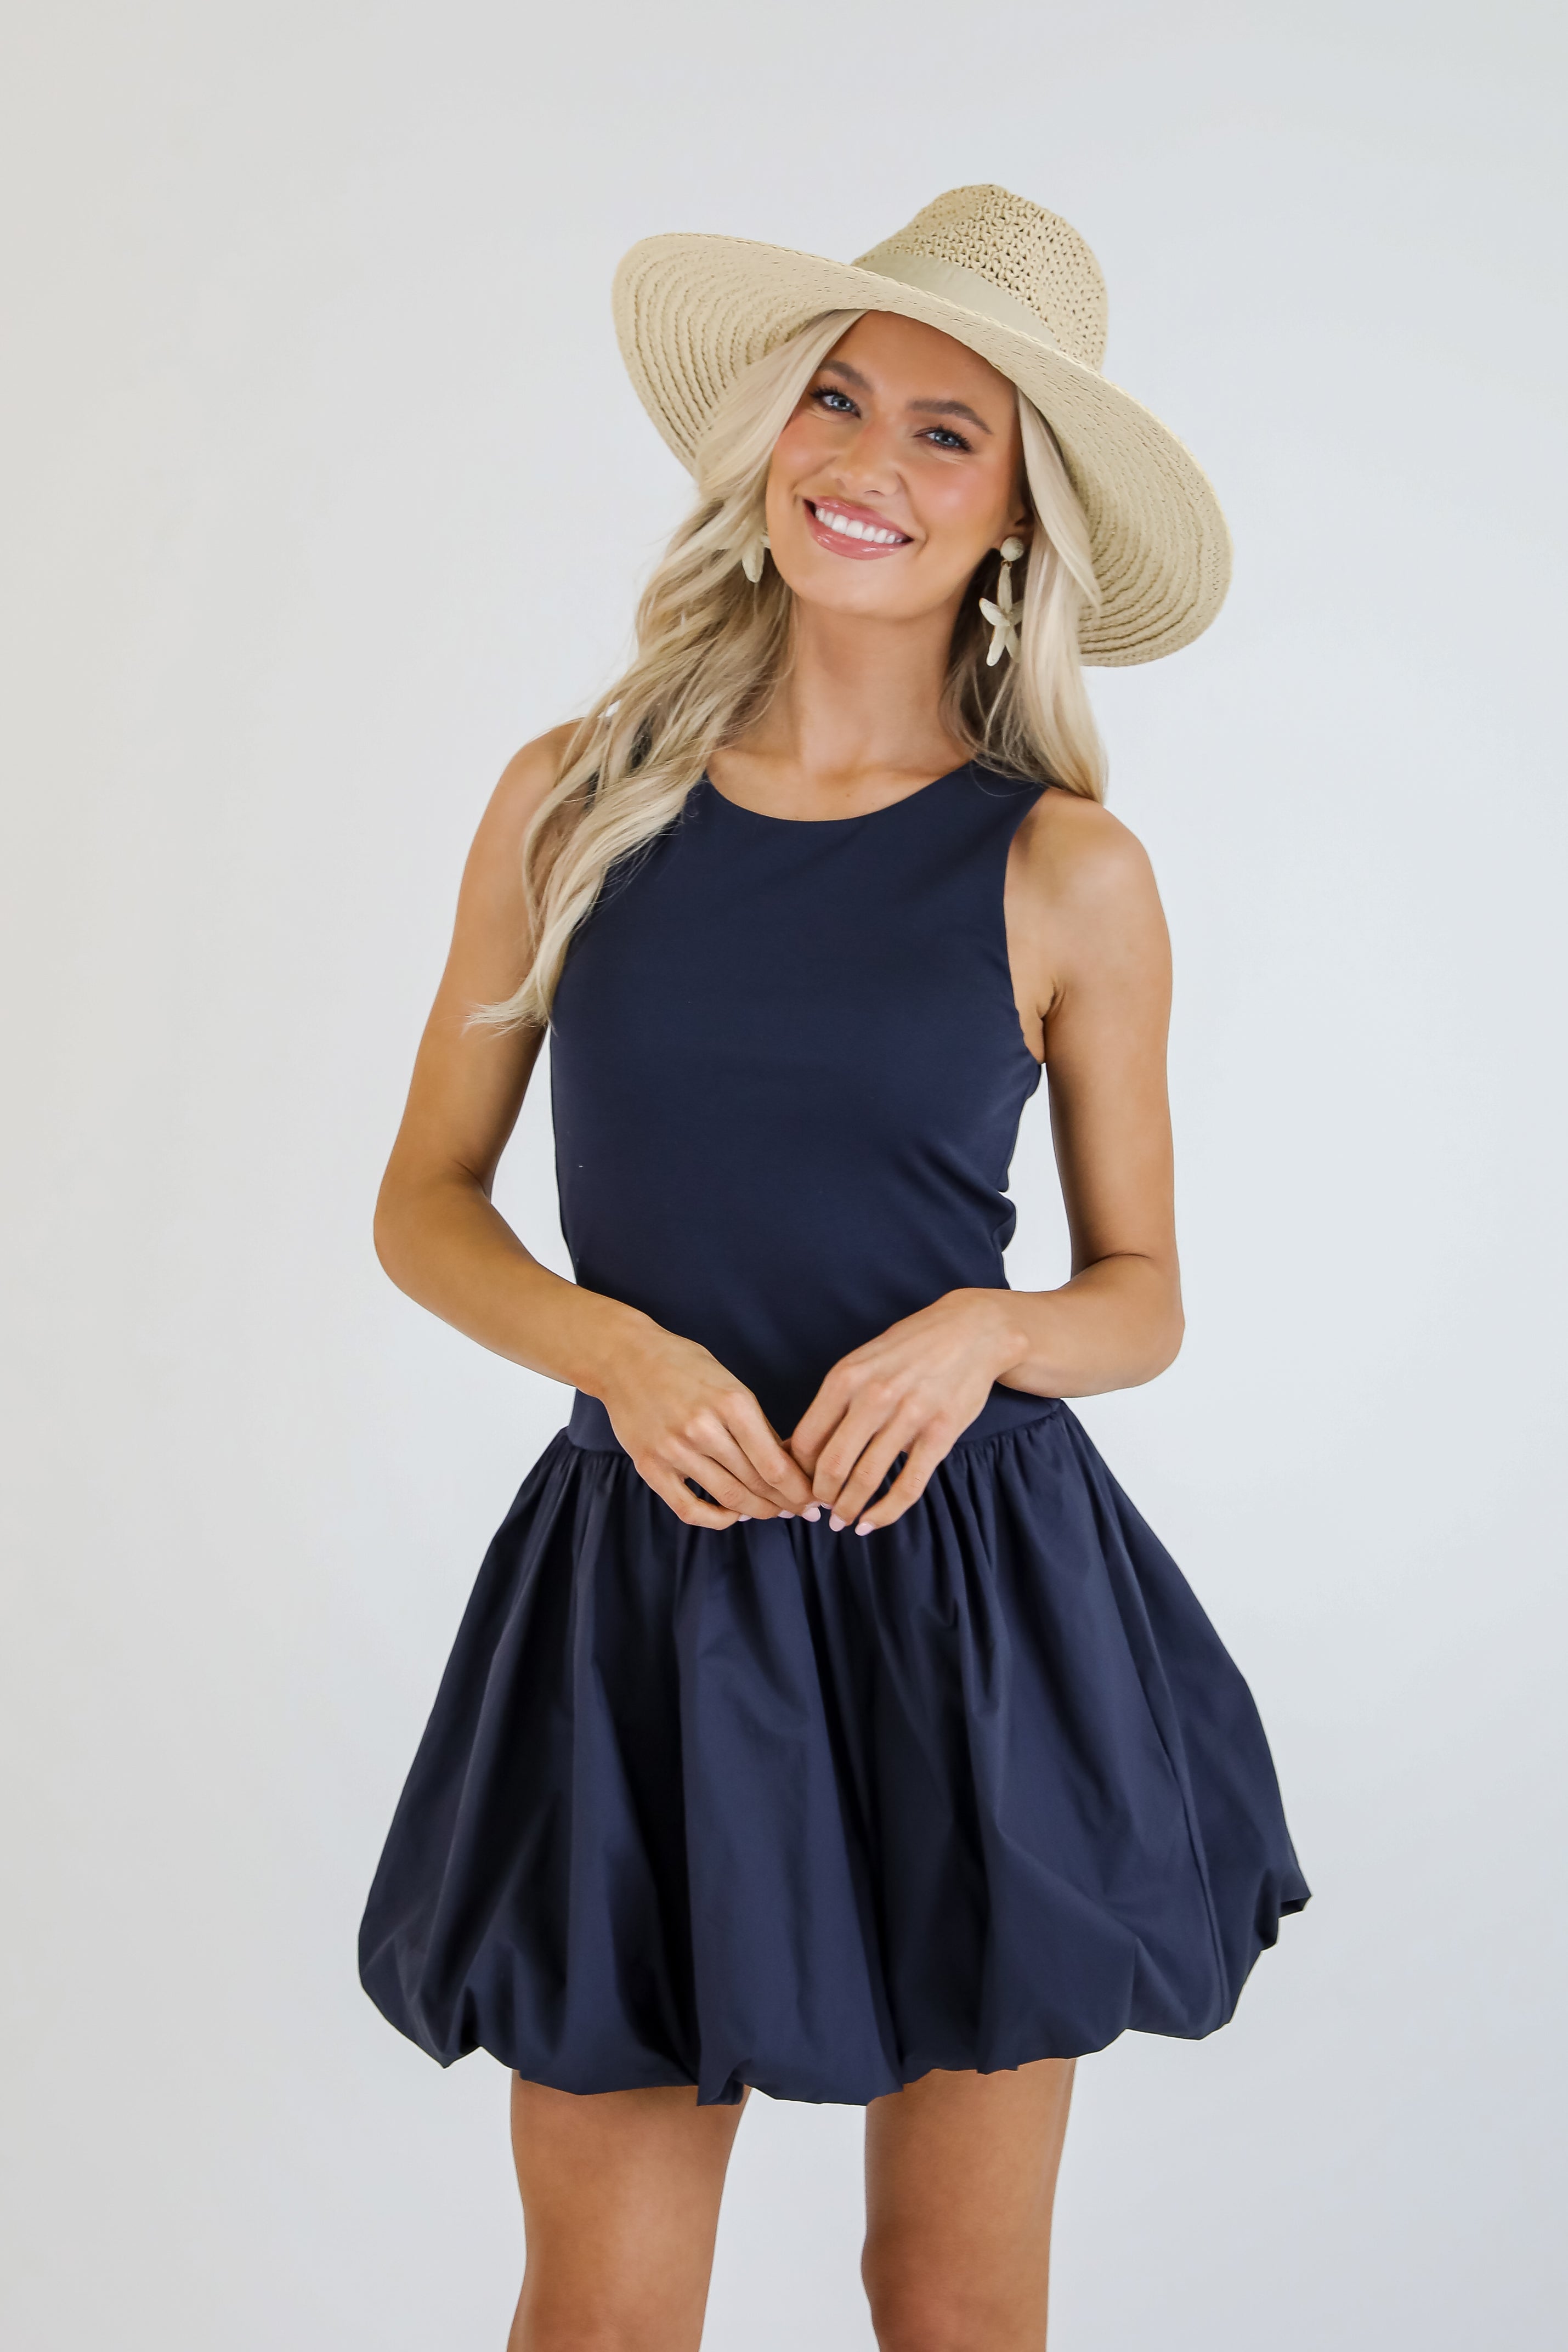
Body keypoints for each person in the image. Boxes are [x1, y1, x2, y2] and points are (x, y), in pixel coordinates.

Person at [359, 184, 1308, 2351]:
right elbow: (425, 1200)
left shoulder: (1064, 865)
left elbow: (1141, 1294)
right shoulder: (572, 799)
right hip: (645, 1584)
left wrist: (987, 1331)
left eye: (945, 434)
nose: (866, 462)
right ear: (769, 433)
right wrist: (612, 1351)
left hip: (968, 1603)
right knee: (602, 2311)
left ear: (1017, 518)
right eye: (837, 401)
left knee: (949, 2303)